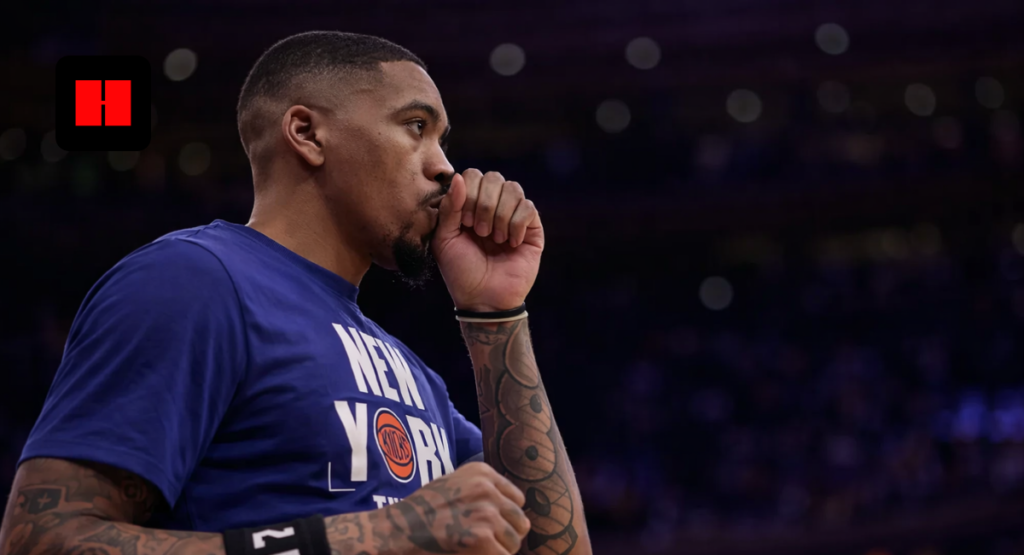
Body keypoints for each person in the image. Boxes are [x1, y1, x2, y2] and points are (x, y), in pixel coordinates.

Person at [0, 31, 591, 555]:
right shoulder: (194, 281)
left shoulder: (414, 375)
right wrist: (378, 537)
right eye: (416, 128)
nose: (446, 169)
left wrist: (497, 314)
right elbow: (43, 540)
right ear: (306, 133)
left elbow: (551, 548)